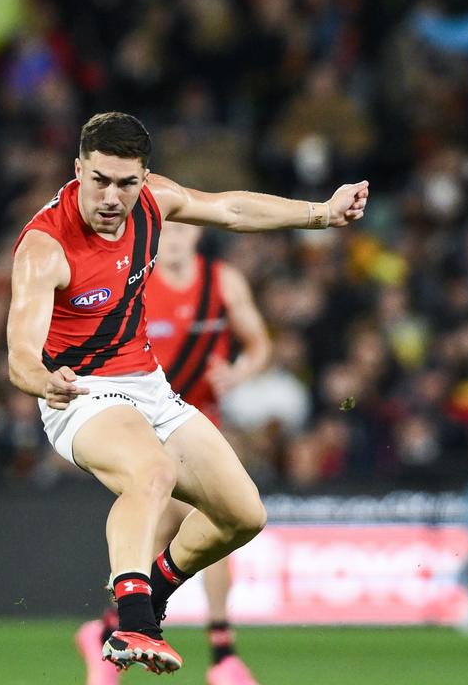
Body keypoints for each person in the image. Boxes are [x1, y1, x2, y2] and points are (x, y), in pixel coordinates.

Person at [6, 112, 366, 674]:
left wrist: (320, 213)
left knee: (243, 515)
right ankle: (133, 623)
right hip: (80, 393)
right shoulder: (45, 246)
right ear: (78, 169)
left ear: (144, 177)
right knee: (152, 474)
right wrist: (42, 380)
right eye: (99, 180)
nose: (111, 197)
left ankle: (152, 592)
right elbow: (20, 354)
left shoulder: (155, 201)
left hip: (149, 386)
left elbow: (230, 208)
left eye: (126, 183)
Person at [74, 221, 271, 685]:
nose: (178, 239)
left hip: (199, 421)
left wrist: (239, 373)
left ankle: (114, 627)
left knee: (223, 519)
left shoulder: (223, 280)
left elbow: (260, 344)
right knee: (191, 519)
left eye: (186, 231)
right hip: (143, 419)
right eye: (170, 232)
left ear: (199, 235)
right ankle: (220, 651)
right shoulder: (138, 279)